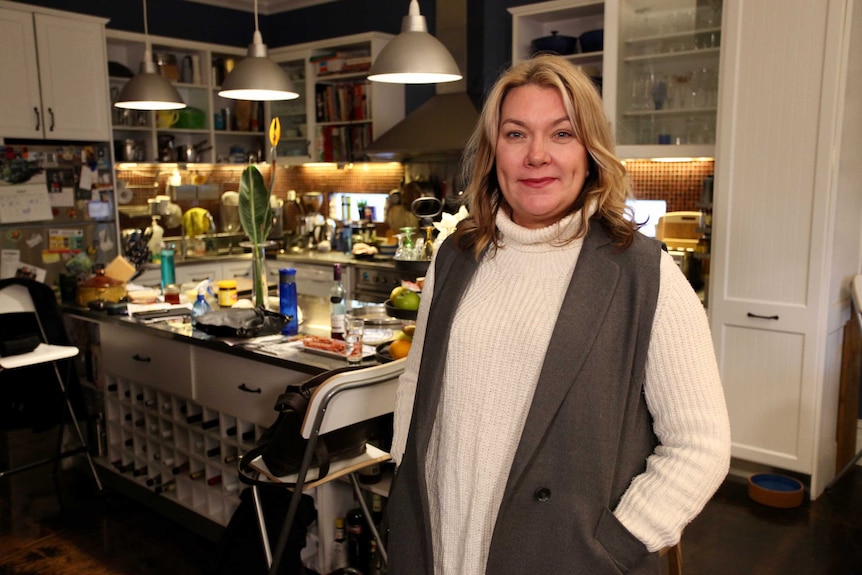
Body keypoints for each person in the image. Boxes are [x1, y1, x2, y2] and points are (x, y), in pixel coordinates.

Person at [386, 54, 731, 574]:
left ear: (590, 152)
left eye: (562, 134)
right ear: (493, 151)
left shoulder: (644, 276)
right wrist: (404, 475)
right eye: (516, 134)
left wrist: (616, 544)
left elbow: (700, 445)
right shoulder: (455, 256)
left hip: (562, 555)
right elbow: (417, 380)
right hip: (441, 534)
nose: (537, 155)